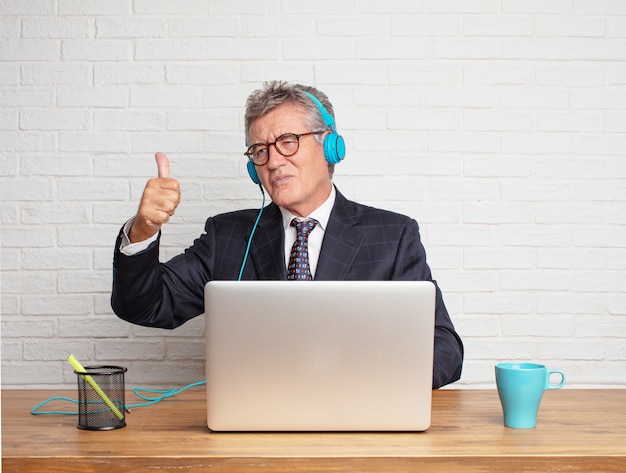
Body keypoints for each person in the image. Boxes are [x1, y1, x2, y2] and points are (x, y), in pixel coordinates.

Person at [111, 80, 463, 388]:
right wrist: (144, 229)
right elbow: (145, 306)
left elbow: (444, 350)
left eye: (288, 141)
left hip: (358, 414)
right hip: (256, 420)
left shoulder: (393, 235)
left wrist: (363, 378)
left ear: (330, 147)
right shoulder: (228, 235)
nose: (274, 161)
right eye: (260, 150)